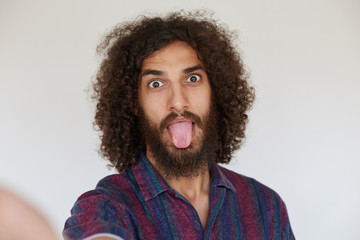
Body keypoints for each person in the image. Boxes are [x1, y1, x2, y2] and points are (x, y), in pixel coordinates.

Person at [63, 10, 295, 240]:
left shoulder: (266, 206)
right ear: (134, 103)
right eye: (156, 83)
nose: (178, 102)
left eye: (192, 79)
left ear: (215, 91)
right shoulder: (107, 206)